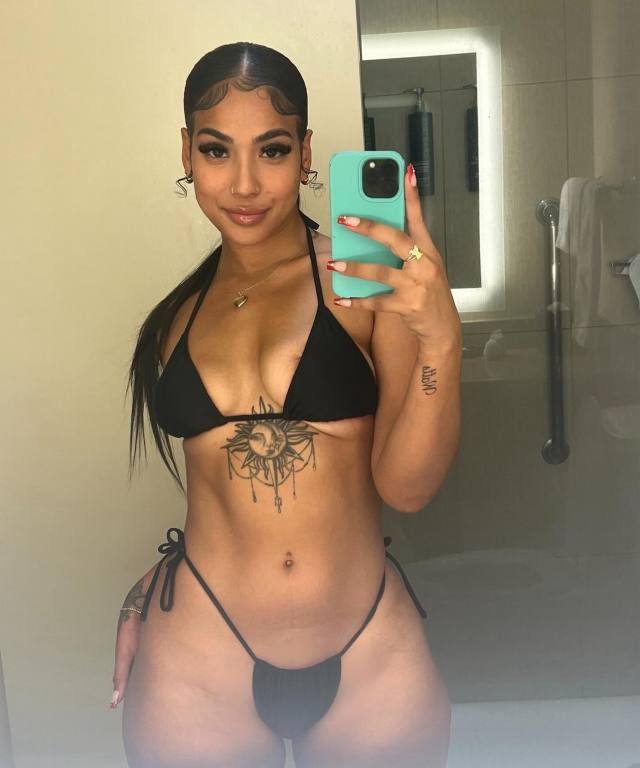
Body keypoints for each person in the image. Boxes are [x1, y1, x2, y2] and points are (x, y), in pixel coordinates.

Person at [113, 41, 462, 768]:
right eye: (216, 150)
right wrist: (140, 595)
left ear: (305, 153)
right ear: (187, 152)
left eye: (271, 150)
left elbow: (408, 487)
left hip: (368, 649)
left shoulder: (365, 283)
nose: (243, 184)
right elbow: (216, 496)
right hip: (200, 654)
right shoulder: (175, 319)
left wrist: (440, 340)